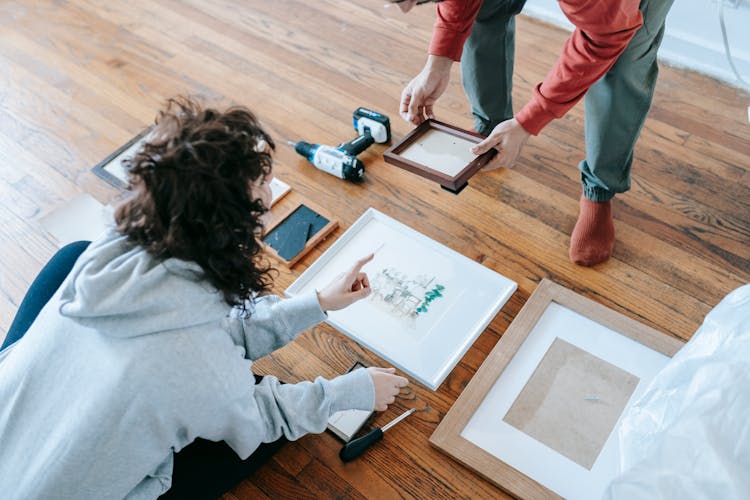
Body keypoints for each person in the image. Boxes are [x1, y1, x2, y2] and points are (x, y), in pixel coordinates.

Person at [0, 97, 408, 499]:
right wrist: (352, 392)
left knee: (69, 256)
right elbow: (262, 417)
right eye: (263, 189)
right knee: (258, 425)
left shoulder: (111, 251)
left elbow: (197, 328)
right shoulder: (197, 366)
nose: (270, 195)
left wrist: (316, 302)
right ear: (234, 229)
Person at [396, 0, 674, 266]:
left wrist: (528, 122)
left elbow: (606, 37)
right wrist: (438, 63)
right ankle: (490, 127)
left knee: (623, 61)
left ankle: (599, 188)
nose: (404, 9)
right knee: (484, 4)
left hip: (615, 13)